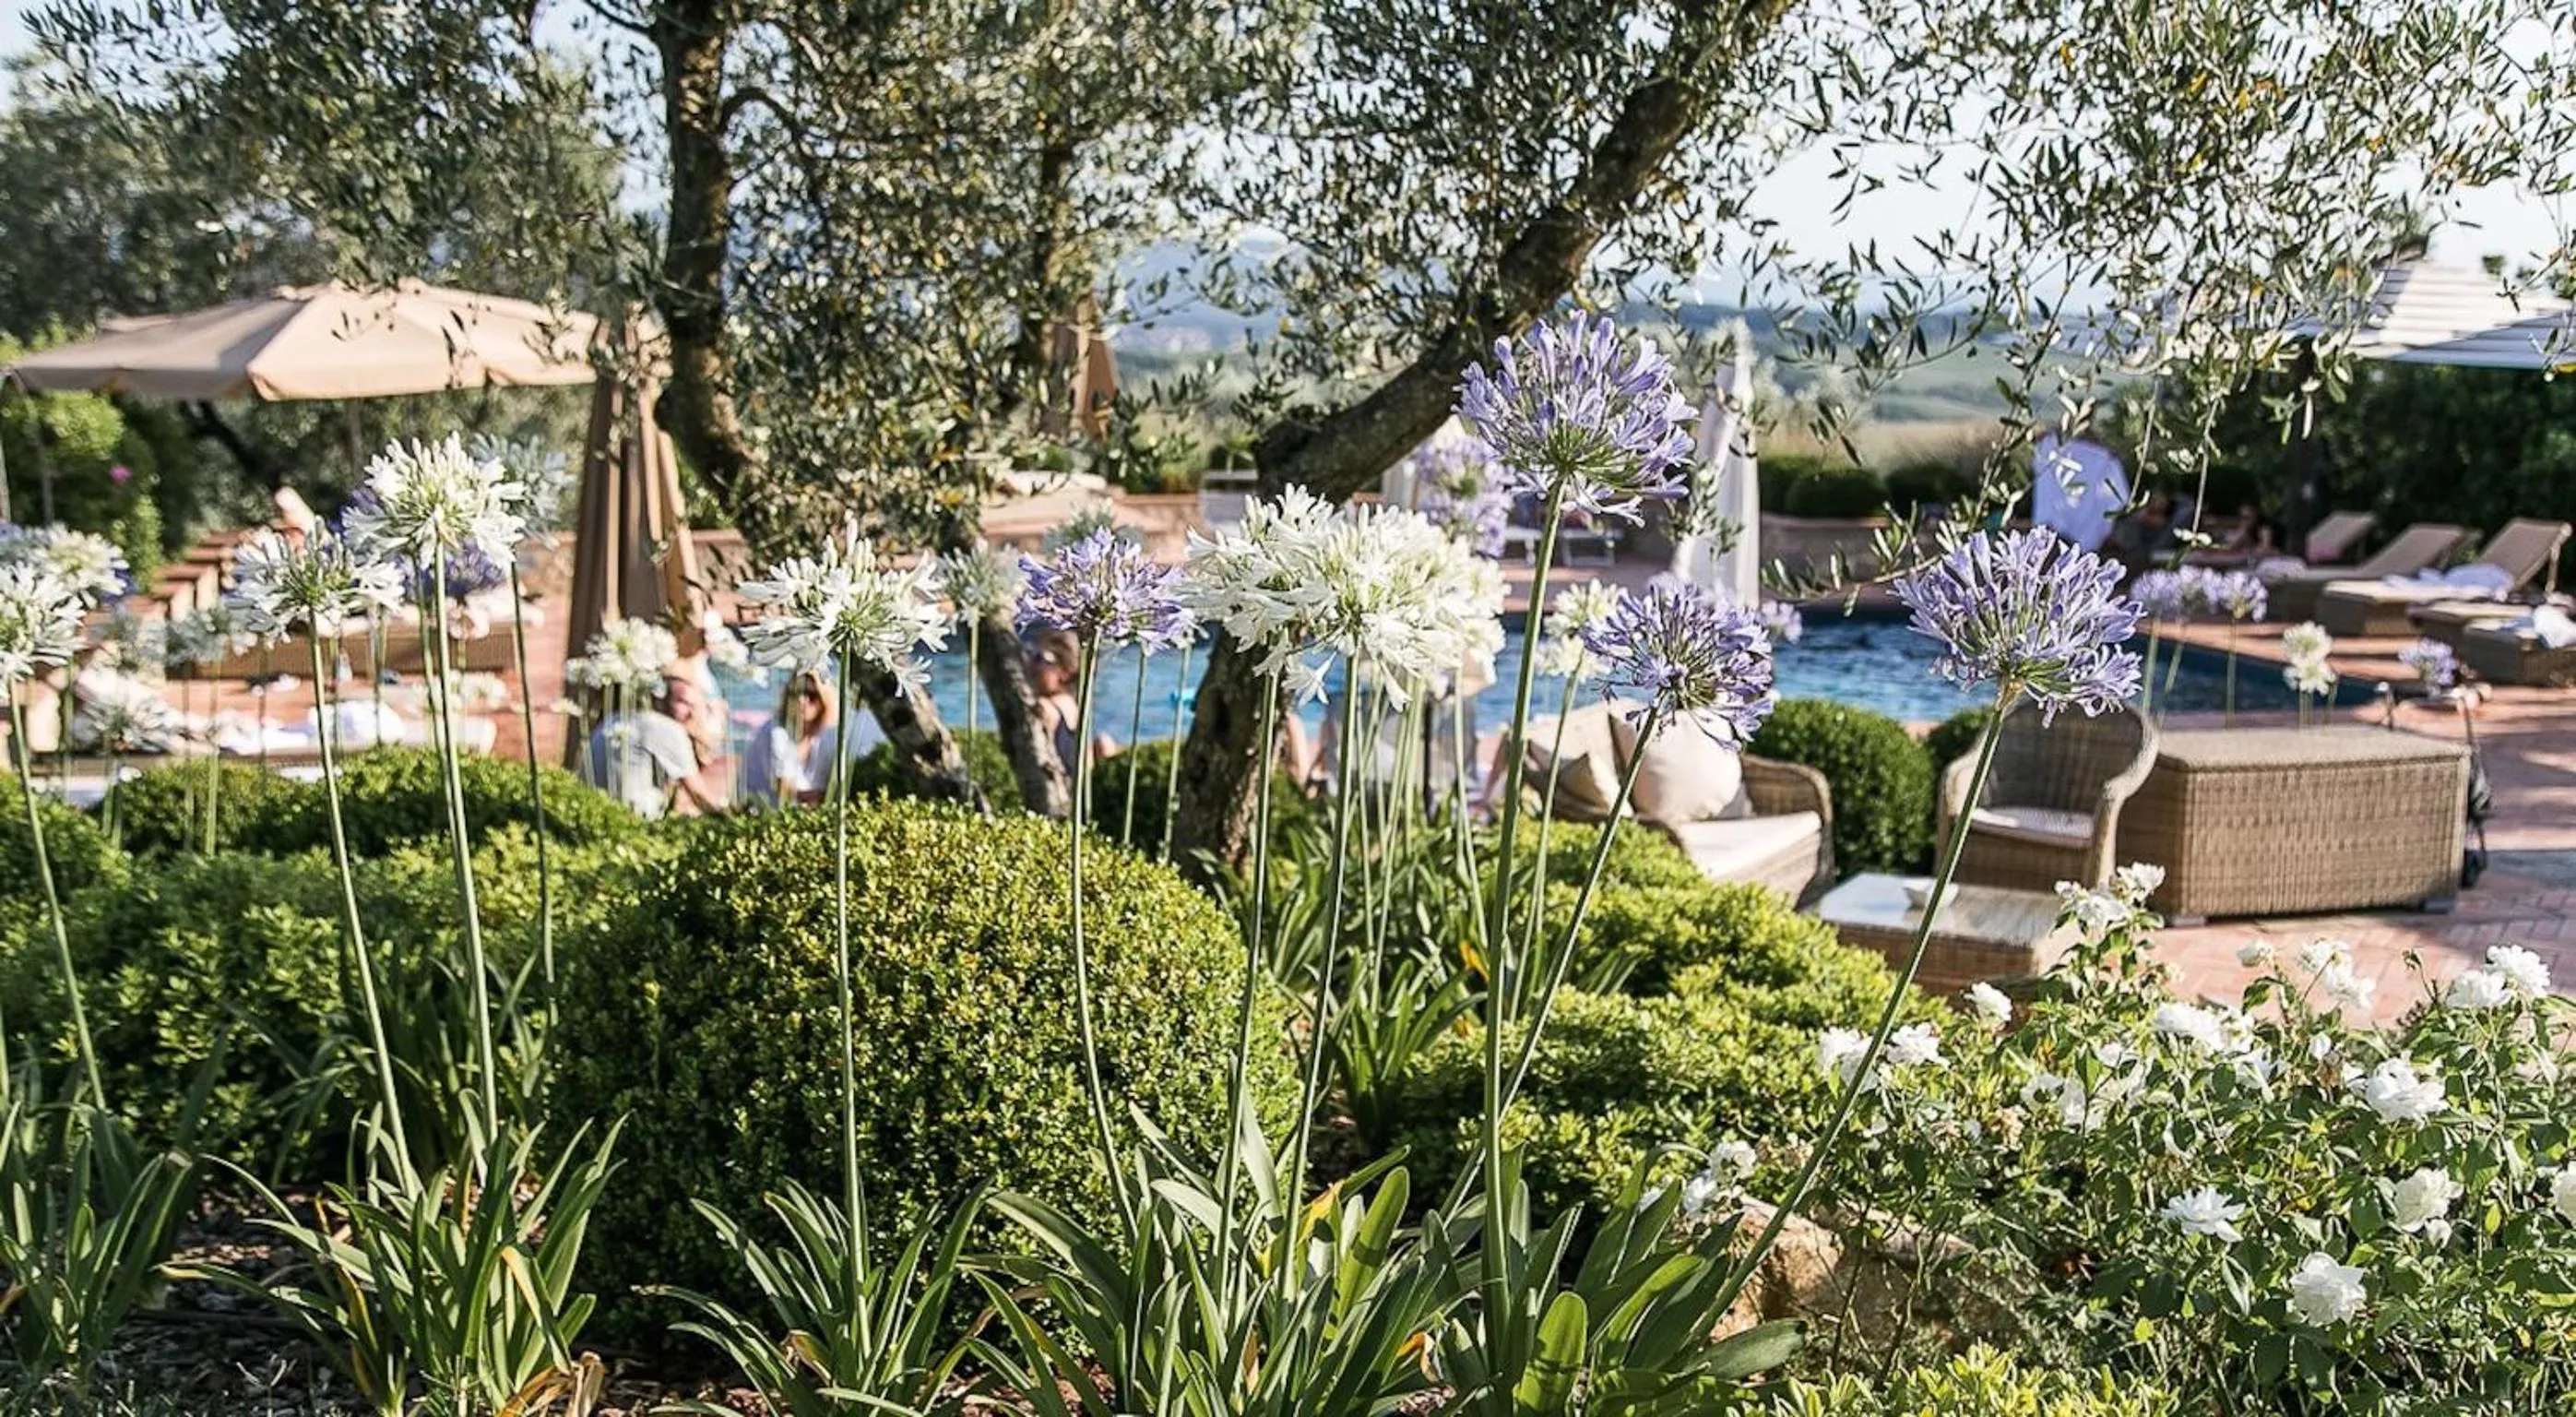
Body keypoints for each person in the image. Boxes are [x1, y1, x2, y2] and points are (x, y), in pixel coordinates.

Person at [588, 673, 727, 818]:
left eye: (695, 705)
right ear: (660, 700)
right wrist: (730, 820)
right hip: (634, 819)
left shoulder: (613, 720)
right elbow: (698, 795)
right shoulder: (667, 728)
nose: (692, 713)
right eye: (683, 703)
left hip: (596, 813)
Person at [742, 667, 888, 805]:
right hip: (762, 811)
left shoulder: (826, 734)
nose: (802, 700)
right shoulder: (775, 732)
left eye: (811, 695)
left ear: (824, 699)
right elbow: (784, 789)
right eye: (795, 693)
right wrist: (829, 798)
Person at [1028, 628, 1117, 768]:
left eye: (1040, 658)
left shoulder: (1044, 708)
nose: (1030, 664)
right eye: (1032, 655)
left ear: (1065, 672)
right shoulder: (1074, 704)